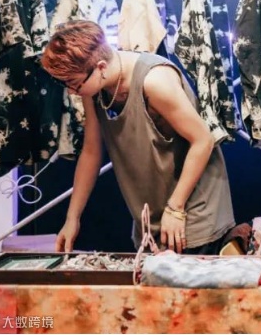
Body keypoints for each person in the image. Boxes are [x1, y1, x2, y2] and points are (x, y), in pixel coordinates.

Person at [41, 20, 235, 254]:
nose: (72, 91)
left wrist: (176, 208)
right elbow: (91, 151)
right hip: (151, 211)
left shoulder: (155, 81)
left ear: (101, 67)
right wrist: (72, 218)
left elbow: (203, 139)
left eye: (74, 84)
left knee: (186, 276)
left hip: (191, 208)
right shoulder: (92, 88)